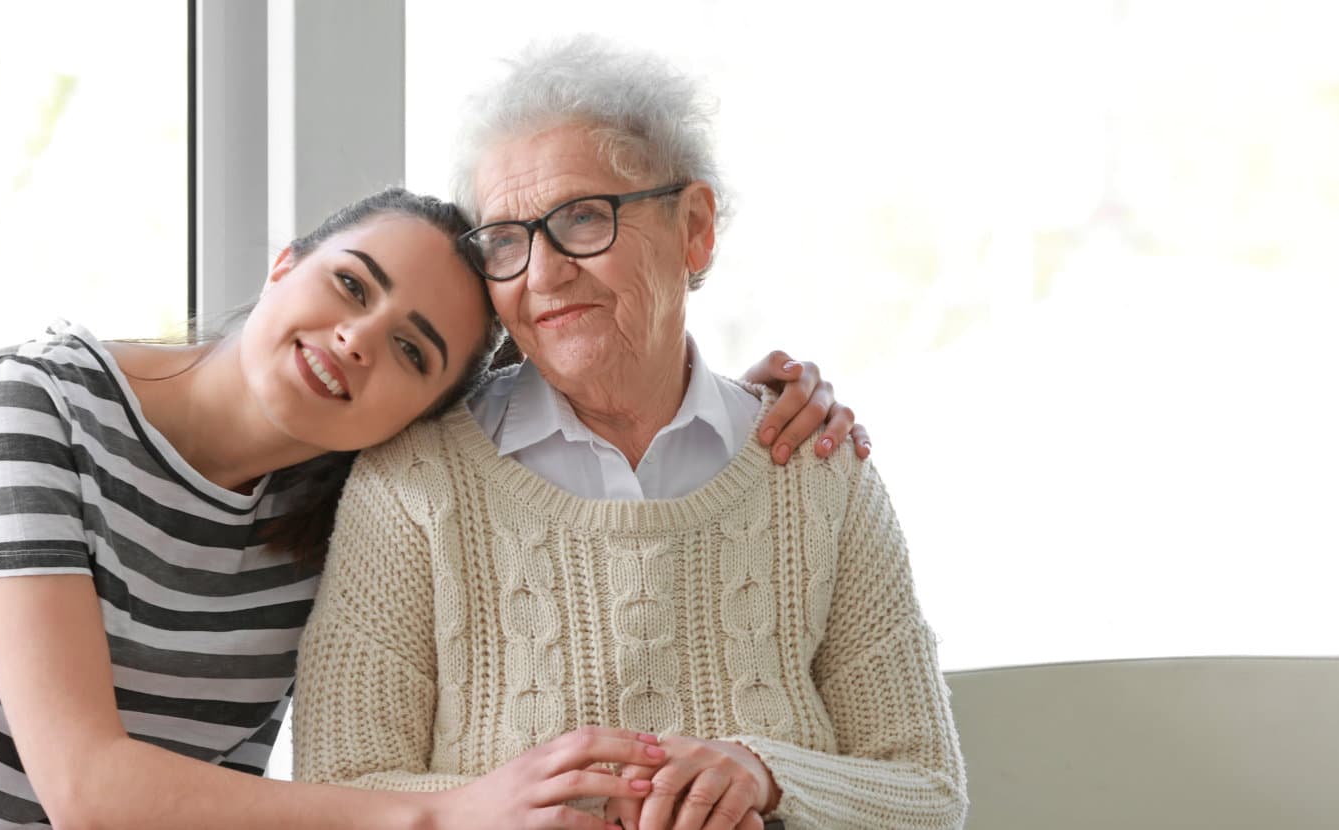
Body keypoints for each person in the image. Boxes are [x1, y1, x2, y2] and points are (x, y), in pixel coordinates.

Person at [0, 187, 865, 830]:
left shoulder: (360, 501)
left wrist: (749, 402)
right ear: (284, 263)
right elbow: (89, 789)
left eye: (413, 350)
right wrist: (444, 813)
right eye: (351, 284)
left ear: (423, 412)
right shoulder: (29, 406)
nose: (360, 338)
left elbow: (573, 426)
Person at [291, 38, 966, 830]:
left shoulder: (818, 470)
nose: (542, 274)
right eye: (505, 239)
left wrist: (765, 774)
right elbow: (336, 789)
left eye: (583, 218)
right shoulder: (412, 485)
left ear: (696, 229)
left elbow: (927, 793)